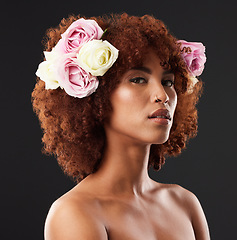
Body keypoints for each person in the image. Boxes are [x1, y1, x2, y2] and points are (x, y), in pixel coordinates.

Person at [32, 13, 210, 240]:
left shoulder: (185, 203)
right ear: (96, 98)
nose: (162, 95)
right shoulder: (75, 213)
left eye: (168, 82)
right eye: (138, 79)